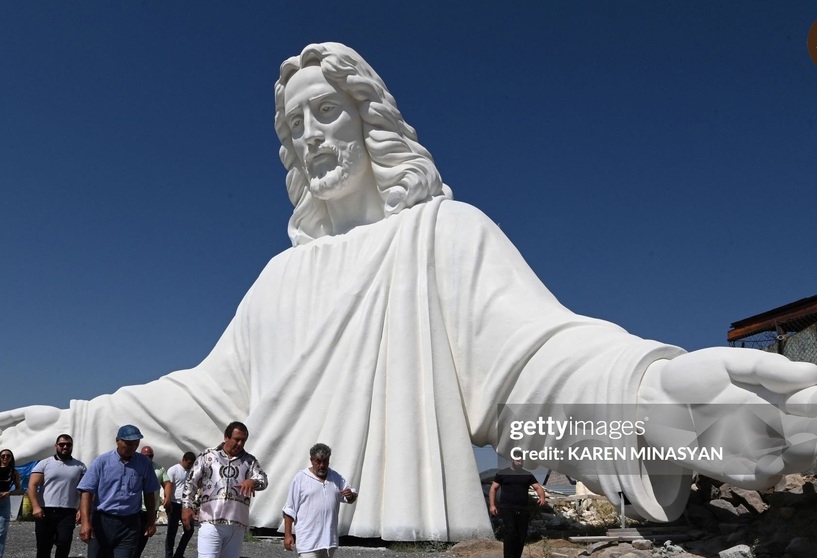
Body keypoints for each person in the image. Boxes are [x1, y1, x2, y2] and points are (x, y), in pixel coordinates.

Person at [3, 42, 817, 540]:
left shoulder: (445, 233)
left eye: (327, 113)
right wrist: (78, 419)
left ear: (368, 121)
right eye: (296, 127)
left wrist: (667, 410)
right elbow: (208, 399)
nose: (312, 136)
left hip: (414, 526)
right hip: (281, 532)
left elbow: (536, 370)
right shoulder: (281, 275)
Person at [181, 422, 267, 558]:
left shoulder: (249, 461)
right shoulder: (208, 456)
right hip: (211, 522)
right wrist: (186, 507)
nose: (240, 443)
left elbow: (263, 480)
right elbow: (190, 482)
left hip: (236, 524)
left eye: (243, 440)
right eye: (237, 439)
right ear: (226, 437)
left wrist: (253, 481)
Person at [77, 425, 160, 558]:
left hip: (130, 524)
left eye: (136, 443)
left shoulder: (144, 463)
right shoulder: (102, 462)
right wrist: (85, 522)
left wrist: (151, 521)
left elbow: (149, 493)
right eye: (128, 444)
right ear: (117, 440)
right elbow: (86, 491)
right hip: (102, 522)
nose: (132, 447)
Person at [283, 443, 357, 558]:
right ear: (311, 460)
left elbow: (351, 497)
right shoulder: (300, 478)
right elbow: (289, 509)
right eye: (318, 461)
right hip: (308, 541)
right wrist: (287, 535)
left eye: (325, 461)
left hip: (329, 541)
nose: (322, 465)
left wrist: (350, 495)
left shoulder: (335, 477)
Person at [27, 434, 87, 558]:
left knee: (64, 543)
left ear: (72, 446)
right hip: (45, 511)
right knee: (44, 546)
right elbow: (32, 485)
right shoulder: (44, 463)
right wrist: (36, 507)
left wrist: (82, 510)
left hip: (68, 511)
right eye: (62, 444)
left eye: (68, 444)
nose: (65, 447)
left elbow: (84, 490)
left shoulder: (80, 466)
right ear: (56, 446)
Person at [489, 459, 545, 558]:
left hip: (523, 509)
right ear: (512, 460)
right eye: (518, 460)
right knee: (510, 533)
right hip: (507, 508)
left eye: (522, 461)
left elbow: (537, 487)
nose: (520, 463)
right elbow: (493, 488)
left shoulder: (527, 474)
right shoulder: (503, 473)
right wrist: (492, 505)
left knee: (521, 535)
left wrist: (542, 497)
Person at [134, 445, 172, 558]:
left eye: (151, 456)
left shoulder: (158, 469)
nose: (148, 458)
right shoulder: (134, 466)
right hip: (135, 508)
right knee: (131, 537)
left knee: (144, 537)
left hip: (150, 509)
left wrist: (167, 498)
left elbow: (167, 483)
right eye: (146, 456)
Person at [165, 451, 196, 558]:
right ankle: (168, 555)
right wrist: (167, 500)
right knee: (171, 532)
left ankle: (179, 554)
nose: (190, 465)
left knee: (189, 530)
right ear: (183, 460)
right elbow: (168, 486)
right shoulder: (173, 470)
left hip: (186, 505)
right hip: (174, 503)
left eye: (192, 463)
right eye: (189, 463)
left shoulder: (191, 471)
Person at [0, 449, 23, 558]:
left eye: (8, 456)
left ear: (11, 458)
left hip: (4, 501)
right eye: (3, 455)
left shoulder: (14, 472)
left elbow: (19, 489)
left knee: (2, 532)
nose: (5, 458)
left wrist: (10, 493)